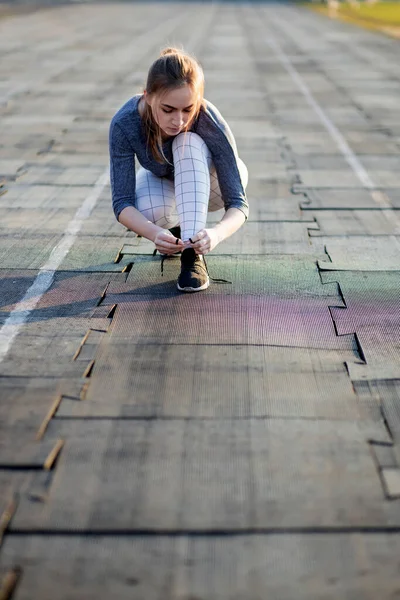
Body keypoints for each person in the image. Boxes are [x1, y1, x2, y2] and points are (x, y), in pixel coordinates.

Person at [109, 46, 249, 292]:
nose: (180, 120)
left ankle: (192, 256)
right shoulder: (125, 123)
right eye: (168, 109)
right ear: (147, 96)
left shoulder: (207, 119)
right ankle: (178, 233)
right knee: (147, 210)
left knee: (187, 140)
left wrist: (215, 234)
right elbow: (122, 203)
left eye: (188, 109)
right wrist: (154, 234)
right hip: (168, 183)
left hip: (212, 184)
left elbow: (238, 203)